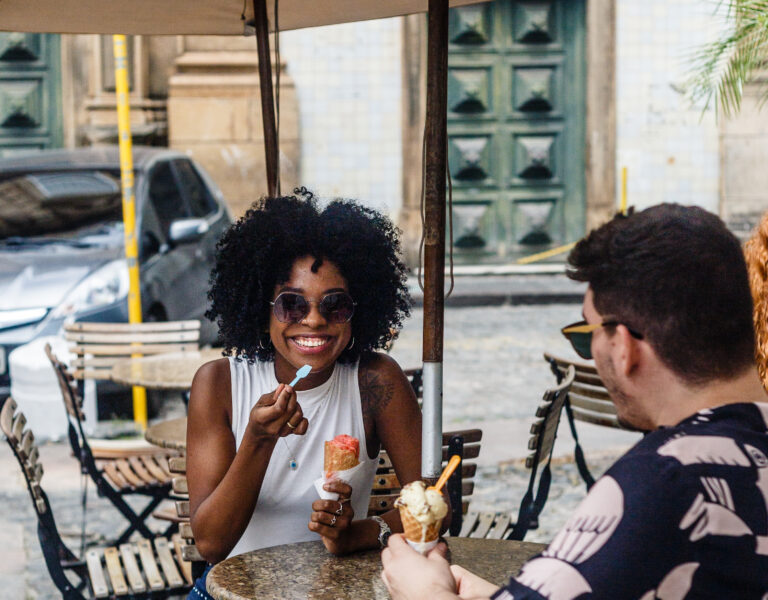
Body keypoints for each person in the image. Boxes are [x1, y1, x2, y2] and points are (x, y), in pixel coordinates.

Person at [381, 204, 768, 599]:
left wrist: (424, 592)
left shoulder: (664, 480)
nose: (591, 351)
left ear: (623, 347)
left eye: (587, 334)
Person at [187, 189, 423, 597]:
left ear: (357, 313)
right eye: (291, 305)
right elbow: (211, 544)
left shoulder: (375, 381)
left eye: (335, 305)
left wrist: (359, 533)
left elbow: (433, 506)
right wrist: (258, 441)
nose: (314, 320)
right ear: (262, 314)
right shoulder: (219, 384)